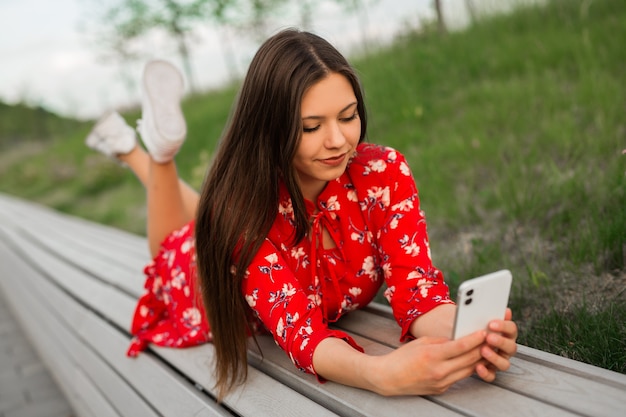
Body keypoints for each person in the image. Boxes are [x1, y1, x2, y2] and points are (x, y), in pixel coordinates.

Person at [86, 28, 518, 402]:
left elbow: (416, 286)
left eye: (348, 117)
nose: (337, 141)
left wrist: (467, 330)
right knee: (173, 247)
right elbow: (301, 332)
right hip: (206, 282)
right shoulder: (244, 214)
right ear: (269, 127)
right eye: (311, 127)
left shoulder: (381, 173)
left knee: (215, 212)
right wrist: (381, 374)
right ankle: (150, 154)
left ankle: (138, 148)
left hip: (241, 214)